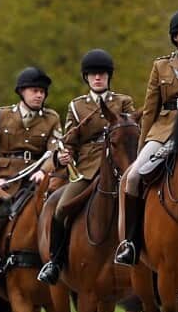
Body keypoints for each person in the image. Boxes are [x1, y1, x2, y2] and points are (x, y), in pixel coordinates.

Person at [115, 9, 178, 265]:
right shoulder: (160, 66)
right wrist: (142, 148)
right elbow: (151, 109)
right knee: (134, 176)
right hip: (164, 131)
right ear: (175, 38)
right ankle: (131, 241)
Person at [39, 50, 135, 285]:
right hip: (89, 167)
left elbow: (131, 132)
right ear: (86, 78)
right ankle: (55, 261)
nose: (97, 78)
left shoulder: (123, 102)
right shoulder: (77, 106)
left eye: (101, 74)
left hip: (118, 162)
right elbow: (70, 140)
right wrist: (63, 154)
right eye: (92, 75)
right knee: (61, 208)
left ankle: (137, 251)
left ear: (108, 76)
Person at [0, 67, 61, 301]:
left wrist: (44, 171)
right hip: (5, 183)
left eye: (42, 91)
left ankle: (59, 269)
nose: (39, 95)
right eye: (34, 91)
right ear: (22, 92)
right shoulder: (2, 115)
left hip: (36, 182)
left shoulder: (52, 118)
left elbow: (55, 150)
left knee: (58, 217)